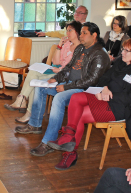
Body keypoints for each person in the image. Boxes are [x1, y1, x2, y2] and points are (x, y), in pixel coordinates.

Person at [47, 39, 131, 170]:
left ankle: (70, 152)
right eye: (122, 49)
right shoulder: (119, 63)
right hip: (103, 97)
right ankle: (68, 136)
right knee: (76, 97)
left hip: (118, 107)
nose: (122, 52)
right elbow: (104, 78)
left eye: (126, 50)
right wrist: (104, 88)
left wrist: (109, 95)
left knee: (81, 115)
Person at [15, 22, 110, 157]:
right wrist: (57, 78)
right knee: (40, 87)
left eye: (84, 33)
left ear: (94, 35)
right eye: (81, 32)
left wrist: (66, 87)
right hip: (71, 83)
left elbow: (91, 81)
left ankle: (48, 142)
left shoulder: (100, 54)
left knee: (59, 98)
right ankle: (35, 124)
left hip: (85, 90)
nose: (81, 36)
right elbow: (68, 68)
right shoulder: (80, 49)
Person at [4, 21, 82, 123]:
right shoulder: (67, 44)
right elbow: (56, 61)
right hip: (57, 71)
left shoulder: (81, 49)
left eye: (70, 30)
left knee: (34, 81)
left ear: (77, 32)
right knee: (32, 72)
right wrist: (59, 46)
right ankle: (22, 101)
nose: (67, 33)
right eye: (67, 30)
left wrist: (60, 70)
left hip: (64, 75)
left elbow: (75, 68)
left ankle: (26, 110)